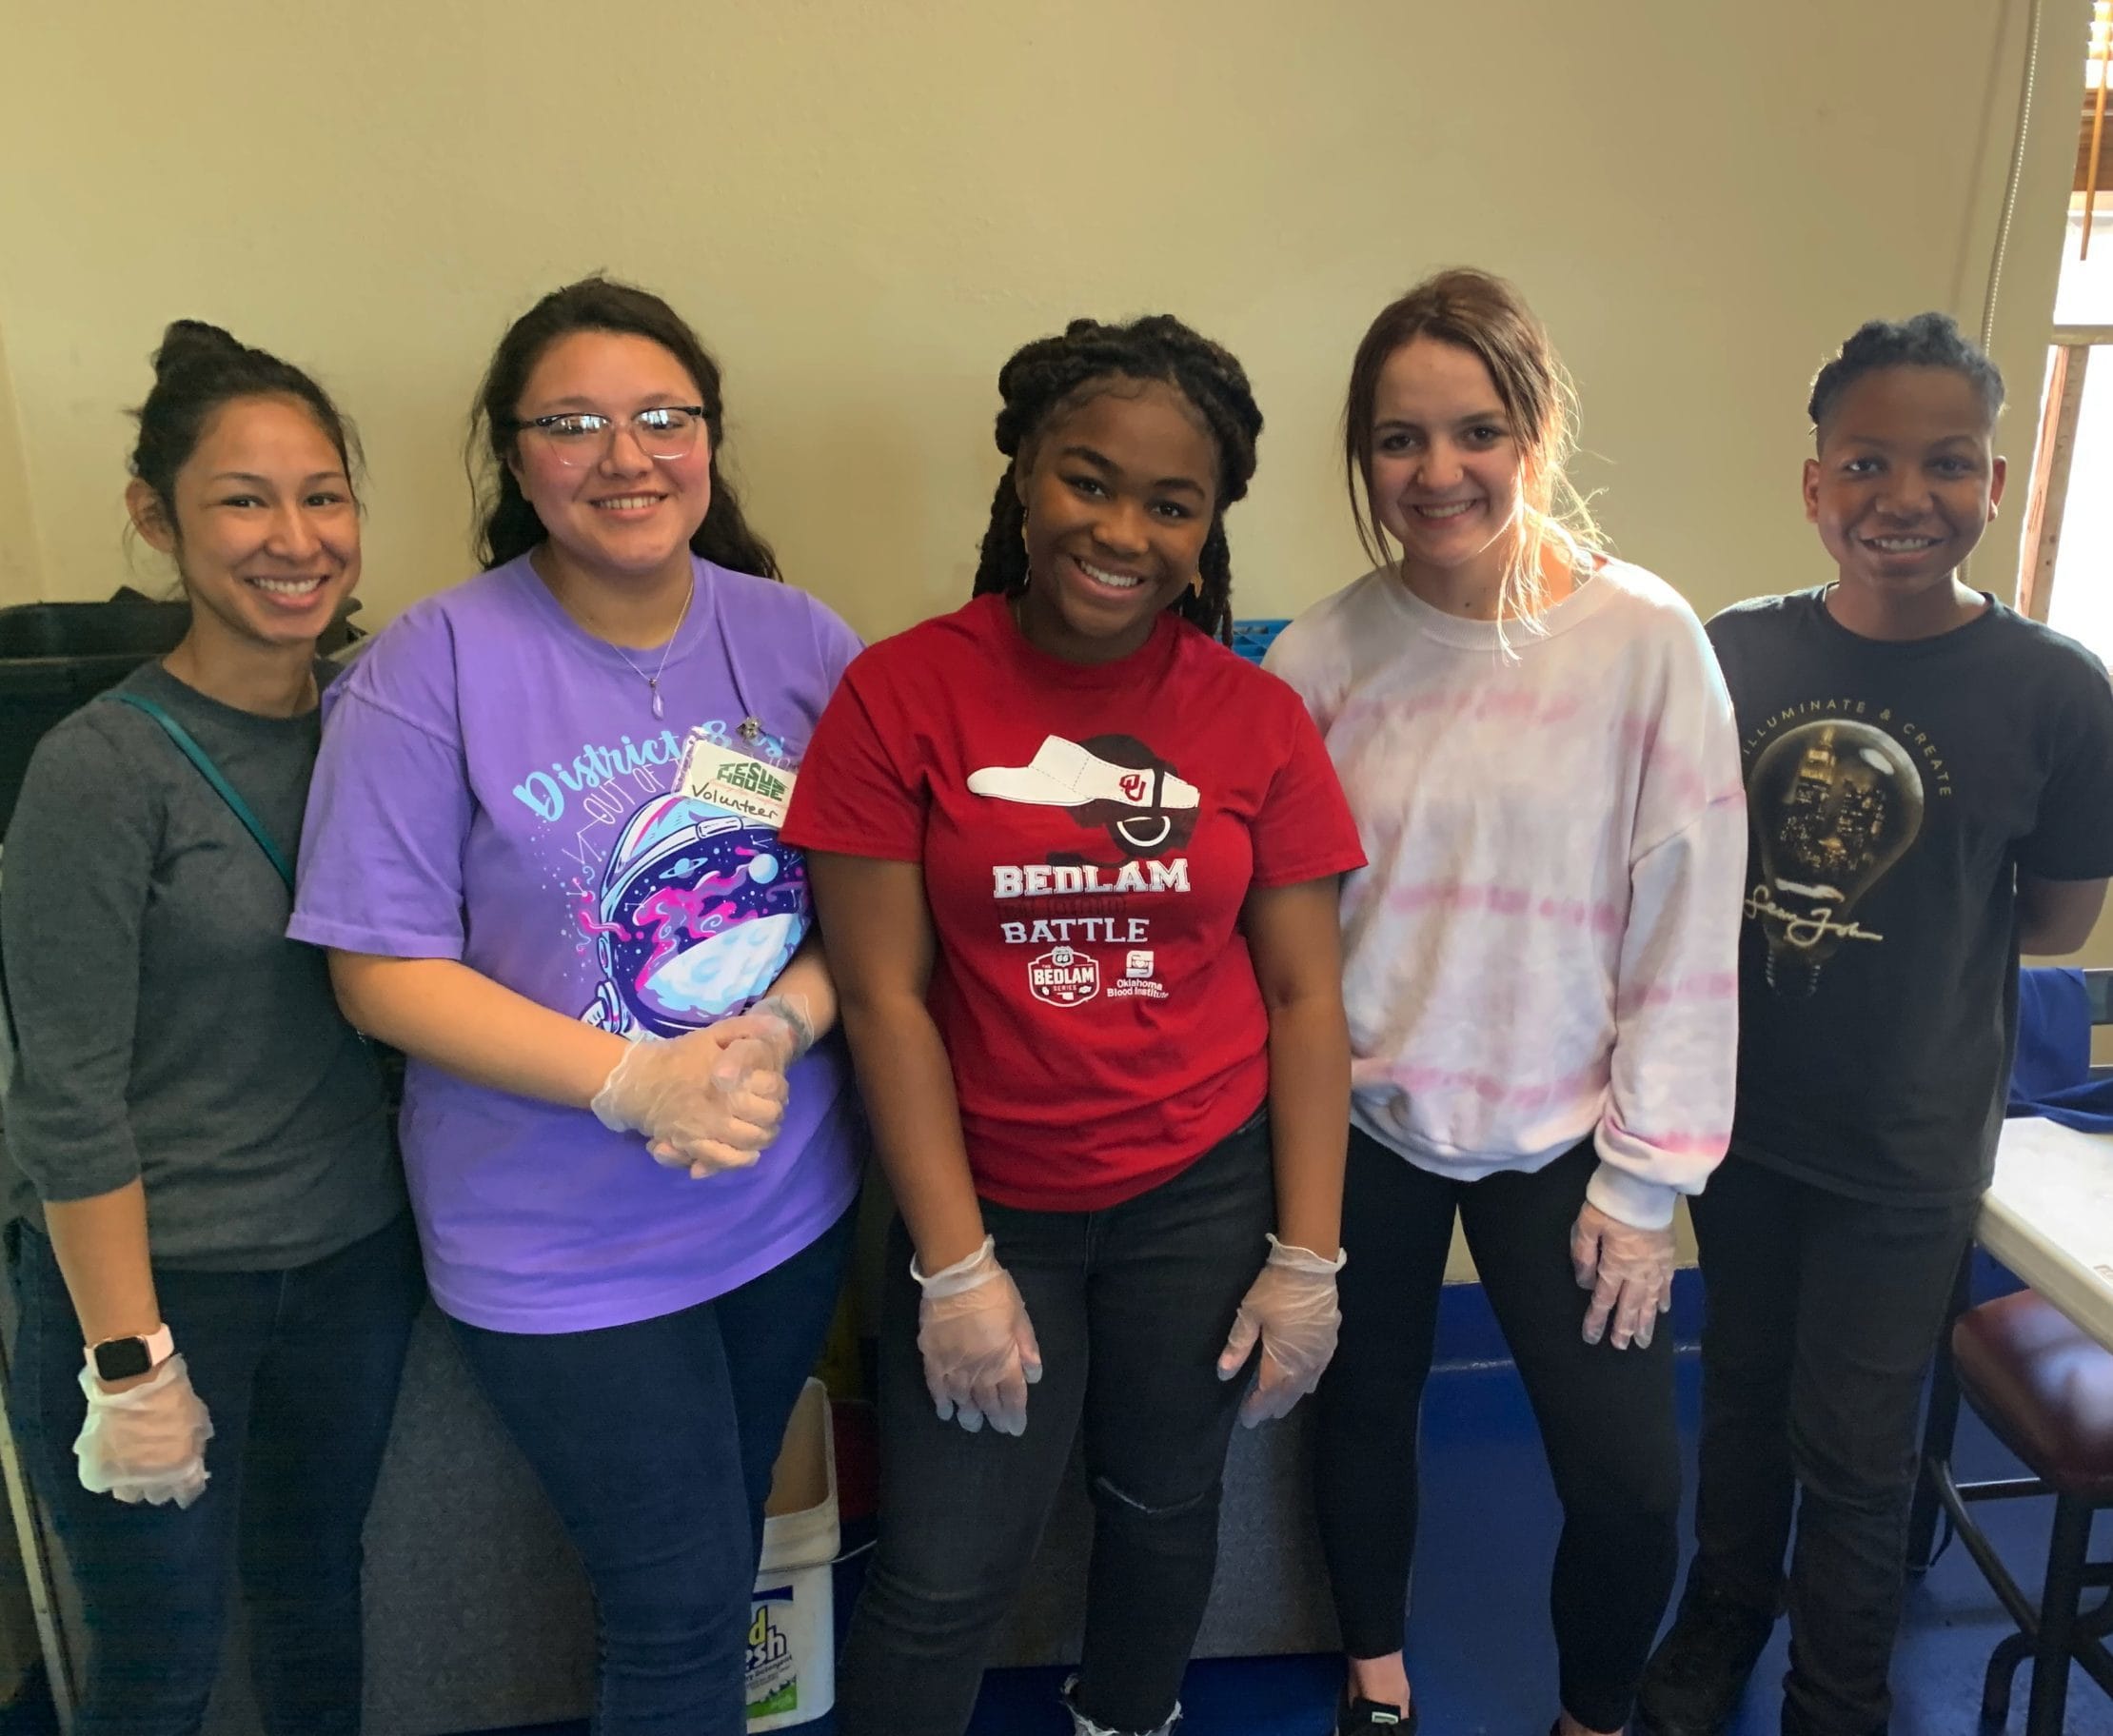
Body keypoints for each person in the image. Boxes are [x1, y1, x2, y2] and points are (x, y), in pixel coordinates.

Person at [287, 277, 862, 1736]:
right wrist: (631, 1081)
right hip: (559, 1249)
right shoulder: (429, 667)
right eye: (573, 423)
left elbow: (874, 909)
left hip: (782, 1207)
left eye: (664, 416)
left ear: (709, 437)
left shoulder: (801, 643)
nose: (626, 456)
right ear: (514, 453)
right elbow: (377, 968)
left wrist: (783, 1027)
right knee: (676, 1615)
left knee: (721, 1567)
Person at [782, 314, 1364, 1736]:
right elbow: (883, 998)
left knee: (1164, 1511)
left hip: (1200, 1193)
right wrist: (954, 1263)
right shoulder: (902, 693)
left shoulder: (1255, 718)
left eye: (1172, 504)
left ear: (1207, 528)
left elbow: (1304, 997)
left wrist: (1309, 1255)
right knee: (946, 1568)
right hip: (990, 1200)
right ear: (1026, 478)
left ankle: (1127, 1718)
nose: (1122, 533)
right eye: (1087, 482)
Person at [1265, 267, 1747, 1736]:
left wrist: (1648, 1179)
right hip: (1368, 1121)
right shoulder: (1319, 658)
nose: (1438, 472)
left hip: (1570, 1135)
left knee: (1629, 1483)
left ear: (1537, 432)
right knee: (1362, 1413)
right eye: (1399, 440)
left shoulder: (1644, 640)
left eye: (1476, 431)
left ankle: (1591, 1718)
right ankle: (1377, 1680)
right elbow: (1286, 941)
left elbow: (1687, 923)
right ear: (1364, 457)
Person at [1636, 312, 2113, 1736]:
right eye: (1866, 463)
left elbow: (2056, 921)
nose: (1906, 496)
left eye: (1948, 463)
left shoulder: (2058, 691)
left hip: (1908, 1145)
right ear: (1813, 485)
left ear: (1998, 482)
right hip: (1741, 1121)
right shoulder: (1732, 654)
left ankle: (1835, 1699)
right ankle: (1724, 1611)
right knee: (1739, 1394)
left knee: (1853, 1446)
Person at [0, 321, 420, 1735]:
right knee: (161, 1665)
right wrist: (130, 1365)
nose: (295, 540)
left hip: (350, 1263)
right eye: (244, 500)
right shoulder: (101, 768)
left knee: (316, 1608)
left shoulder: (379, 724)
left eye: (323, 496)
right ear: (156, 517)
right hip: (163, 1284)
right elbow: (65, 1096)